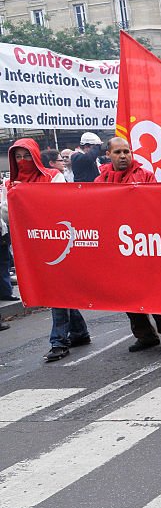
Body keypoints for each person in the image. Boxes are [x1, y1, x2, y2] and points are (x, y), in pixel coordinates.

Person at [10, 139, 90, 361]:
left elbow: (59, 204)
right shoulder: (10, 183)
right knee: (58, 291)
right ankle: (79, 332)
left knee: (57, 291)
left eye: (26, 156)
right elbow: (8, 213)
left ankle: (58, 341)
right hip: (31, 245)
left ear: (35, 155)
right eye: (18, 157)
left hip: (57, 240)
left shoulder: (52, 176)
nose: (23, 161)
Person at [96, 137, 161, 352]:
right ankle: (144, 336)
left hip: (142, 243)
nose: (123, 156)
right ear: (108, 155)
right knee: (127, 293)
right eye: (118, 152)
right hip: (116, 246)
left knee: (152, 289)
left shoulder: (145, 175)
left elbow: (156, 206)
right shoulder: (100, 180)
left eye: (126, 151)